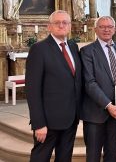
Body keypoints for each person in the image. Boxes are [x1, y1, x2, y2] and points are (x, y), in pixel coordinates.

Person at [25, 10, 82, 161]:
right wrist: (39, 123)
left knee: (64, 158)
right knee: (40, 158)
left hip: (70, 118)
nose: (61, 25)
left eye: (65, 22)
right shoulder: (39, 49)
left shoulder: (73, 47)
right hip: (48, 122)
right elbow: (32, 90)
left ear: (70, 26)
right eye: (57, 23)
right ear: (49, 27)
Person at [81, 16, 116, 162]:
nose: (106, 29)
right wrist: (108, 105)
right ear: (96, 29)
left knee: (112, 152)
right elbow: (89, 83)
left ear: (114, 29)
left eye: (109, 27)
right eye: (102, 27)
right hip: (95, 111)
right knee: (93, 154)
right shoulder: (87, 51)